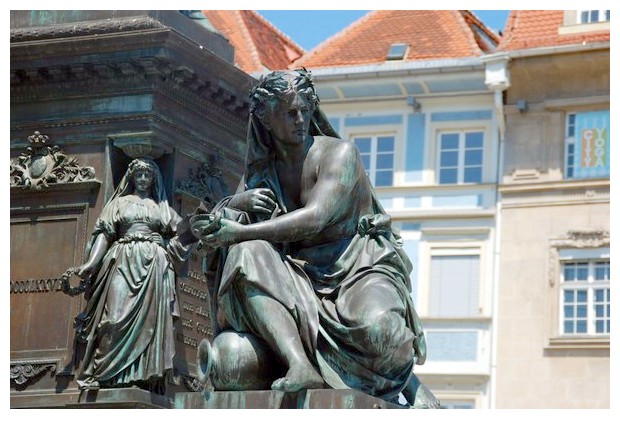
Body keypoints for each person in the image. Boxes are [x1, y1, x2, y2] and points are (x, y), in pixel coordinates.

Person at [194, 69, 437, 407]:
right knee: (246, 259)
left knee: (380, 331)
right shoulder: (262, 172)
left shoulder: (340, 154)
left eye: (306, 109)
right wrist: (237, 204)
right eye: (290, 112)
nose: (301, 119)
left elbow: (316, 218)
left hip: (355, 269)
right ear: (265, 118)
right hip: (296, 278)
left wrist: (241, 230)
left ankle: (406, 380)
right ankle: (299, 363)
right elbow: (219, 225)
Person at [73, 158, 190, 393]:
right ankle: (104, 373)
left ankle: (141, 376)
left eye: (148, 176)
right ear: (132, 178)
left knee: (149, 324)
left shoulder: (162, 207)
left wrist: (166, 242)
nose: (144, 180)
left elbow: (185, 234)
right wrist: (91, 263)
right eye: (140, 175)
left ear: (154, 179)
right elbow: (105, 234)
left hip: (154, 267)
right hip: (123, 259)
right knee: (113, 318)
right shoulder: (119, 203)